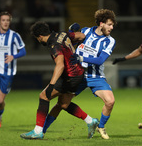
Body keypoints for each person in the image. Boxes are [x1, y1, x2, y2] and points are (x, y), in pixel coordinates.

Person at [42, 9, 117, 140]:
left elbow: (100, 60)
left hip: (96, 77)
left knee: (110, 101)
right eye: (109, 24)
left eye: (112, 25)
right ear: (101, 23)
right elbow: (69, 42)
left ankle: (101, 126)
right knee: (61, 104)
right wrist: (71, 32)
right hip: (77, 75)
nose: (112, 27)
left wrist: (81, 58)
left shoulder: (109, 41)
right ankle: (42, 131)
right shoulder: (86, 31)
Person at [20, 21, 99, 140]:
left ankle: (38, 131)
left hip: (69, 76)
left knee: (43, 96)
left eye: (37, 39)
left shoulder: (53, 45)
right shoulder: (62, 34)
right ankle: (90, 121)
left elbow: (60, 65)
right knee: (63, 104)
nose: (38, 41)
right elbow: (81, 36)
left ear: (40, 37)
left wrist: (51, 85)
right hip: (78, 73)